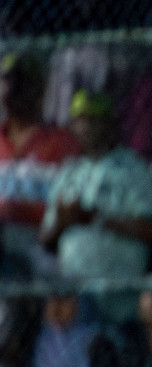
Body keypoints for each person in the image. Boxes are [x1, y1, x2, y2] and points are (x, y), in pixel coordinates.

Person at [40, 92, 152, 325]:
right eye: (80, 120)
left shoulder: (135, 170)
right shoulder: (67, 173)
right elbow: (45, 238)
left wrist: (96, 219)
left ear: (110, 124)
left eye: (94, 120)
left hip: (120, 301)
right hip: (75, 303)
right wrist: (63, 223)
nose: (87, 127)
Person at [0, 55, 79, 274]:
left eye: (24, 83)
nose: (15, 90)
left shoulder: (62, 142)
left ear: (40, 90)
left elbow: (73, 206)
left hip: (42, 243)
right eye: (9, 82)